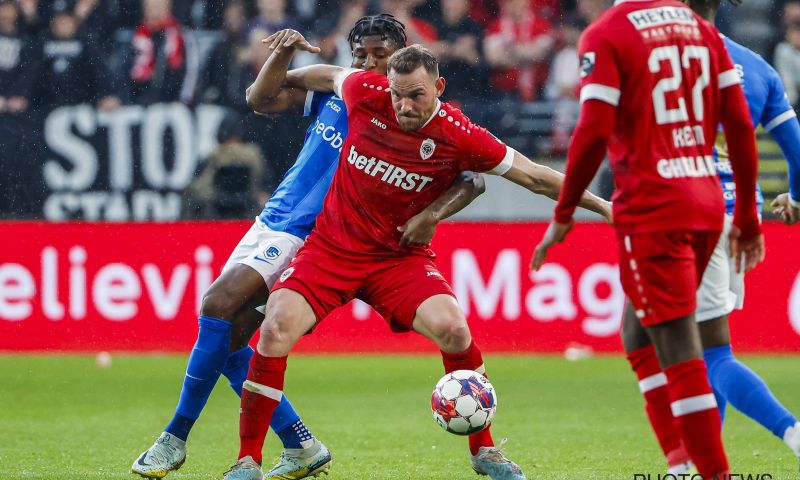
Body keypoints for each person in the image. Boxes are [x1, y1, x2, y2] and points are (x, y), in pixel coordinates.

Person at [222, 33, 611, 480]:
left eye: (415, 97)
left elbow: (536, 177)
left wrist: (603, 207)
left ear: (439, 90)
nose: (404, 106)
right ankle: (247, 460)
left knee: (453, 327)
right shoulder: (365, 90)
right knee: (273, 328)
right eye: (398, 94)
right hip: (331, 251)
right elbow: (328, 74)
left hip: (397, 259)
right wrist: (287, 75)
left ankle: (484, 453)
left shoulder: (461, 133)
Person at [132, 14, 488, 480]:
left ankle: (175, 436)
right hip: (276, 216)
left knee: (218, 306)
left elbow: (472, 176)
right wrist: (282, 53)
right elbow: (259, 99)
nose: (369, 63)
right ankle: (300, 443)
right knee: (229, 335)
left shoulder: (416, 112)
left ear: (402, 57)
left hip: (316, 232)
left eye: (380, 56)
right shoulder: (341, 89)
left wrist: (431, 215)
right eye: (360, 54)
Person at [531, 0, 765, 477]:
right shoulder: (699, 29)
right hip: (704, 202)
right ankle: (679, 463)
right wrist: (744, 214)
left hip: (655, 208)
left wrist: (564, 208)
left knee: (680, 350)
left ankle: (711, 473)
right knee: (638, 334)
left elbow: (593, 128)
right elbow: (739, 125)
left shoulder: (607, 32)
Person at [617, 0, 800, 474]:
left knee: (706, 352)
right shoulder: (758, 67)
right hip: (736, 209)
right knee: (702, 347)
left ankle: (790, 431)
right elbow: (795, 151)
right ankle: (696, 464)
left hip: (681, 206)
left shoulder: (662, 57)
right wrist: (795, 200)